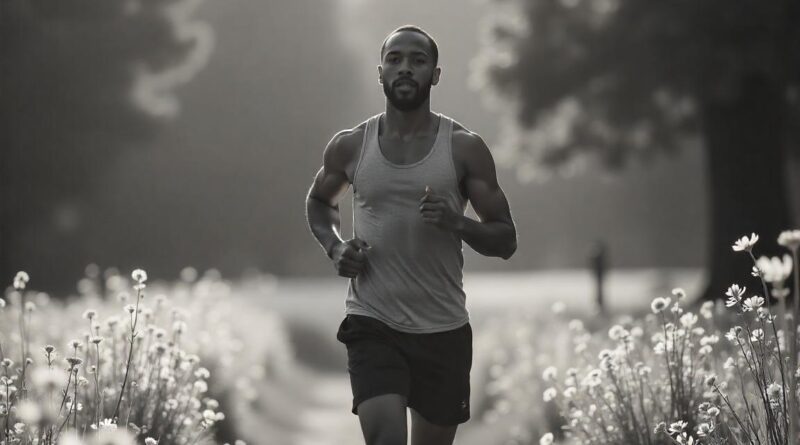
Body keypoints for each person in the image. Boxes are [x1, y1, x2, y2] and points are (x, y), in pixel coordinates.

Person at [305, 24, 517, 445]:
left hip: (443, 329)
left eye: (418, 61)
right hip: (372, 322)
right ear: (380, 71)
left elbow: (506, 240)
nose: (405, 68)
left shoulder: (463, 148)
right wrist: (335, 247)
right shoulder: (349, 146)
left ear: (435, 74)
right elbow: (319, 203)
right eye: (395, 59)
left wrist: (460, 223)